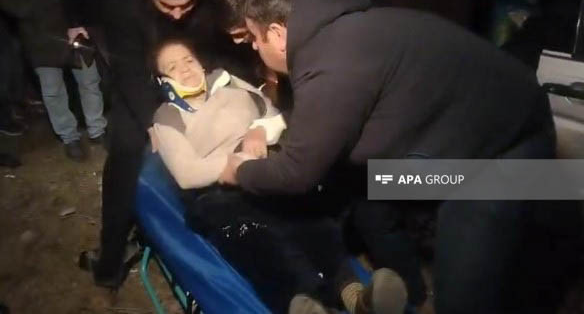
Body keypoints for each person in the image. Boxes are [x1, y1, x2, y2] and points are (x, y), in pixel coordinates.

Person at [219, 0, 558, 313]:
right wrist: (266, 127)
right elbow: (327, 110)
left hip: (503, 149)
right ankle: (414, 297)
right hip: (474, 130)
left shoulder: (332, 62)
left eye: (255, 37)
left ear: (278, 35)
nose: (253, 46)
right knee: (372, 206)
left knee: (463, 279)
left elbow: (296, 172)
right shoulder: (335, 30)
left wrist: (239, 172)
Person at [150, 37, 409, 314]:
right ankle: (304, 303)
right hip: (218, 191)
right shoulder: (167, 116)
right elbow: (186, 173)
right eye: (173, 67)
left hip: (264, 168)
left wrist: (260, 130)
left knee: (307, 217)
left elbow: (272, 112)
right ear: (163, 81)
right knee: (260, 236)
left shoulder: (229, 82)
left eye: (189, 60)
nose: (185, 69)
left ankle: (356, 298)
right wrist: (231, 164)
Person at [80, 0, 254, 289]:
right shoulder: (121, 4)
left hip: (198, 65)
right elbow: (128, 72)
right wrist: (152, 121)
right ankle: (111, 259)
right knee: (126, 151)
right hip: (145, 77)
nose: (177, 15)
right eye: (168, 6)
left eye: (186, 6)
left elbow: (227, 43)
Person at [0, 0, 107, 161]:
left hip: (72, 16)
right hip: (36, 27)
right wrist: (23, 8)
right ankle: (69, 136)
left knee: (88, 78)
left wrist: (83, 9)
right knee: (52, 88)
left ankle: (97, 130)